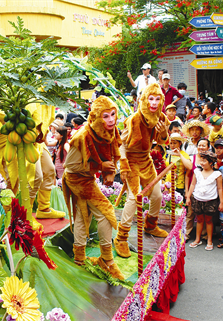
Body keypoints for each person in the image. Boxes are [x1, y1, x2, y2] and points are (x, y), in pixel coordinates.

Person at [63, 96, 124, 280]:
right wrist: (99, 167)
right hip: (76, 178)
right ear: (96, 118)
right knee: (106, 212)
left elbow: (114, 155)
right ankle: (107, 260)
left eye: (113, 114)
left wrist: (110, 172)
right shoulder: (82, 136)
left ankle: (80, 258)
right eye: (106, 116)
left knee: (83, 215)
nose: (111, 120)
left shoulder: (111, 132)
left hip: (88, 177)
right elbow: (70, 167)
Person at [114, 83, 170, 259]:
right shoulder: (134, 119)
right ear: (145, 100)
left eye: (157, 99)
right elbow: (120, 144)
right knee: (134, 197)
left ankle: (151, 225)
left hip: (146, 159)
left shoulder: (160, 117)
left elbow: (163, 142)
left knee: (157, 195)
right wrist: (123, 165)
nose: (154, 103)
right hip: (130, 160)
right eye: (150, 99)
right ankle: (121, 238)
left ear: (161, 101)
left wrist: (163, 133)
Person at [187, 151, 223, 251]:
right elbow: (193, 184)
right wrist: (188, 197)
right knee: (199, 220)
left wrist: (221, 202)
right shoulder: (197, 172)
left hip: (210, 201)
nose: (202, 163)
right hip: (197, 199)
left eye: (205, 161)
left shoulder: (217, 174)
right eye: (201, 160)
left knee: (208, 220)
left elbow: (220, 188)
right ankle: (197, 239)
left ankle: (209, 240)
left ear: (211, 162)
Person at [184, 137, 212, 241]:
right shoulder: (192, 158)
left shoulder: (211, 159)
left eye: (204, 145)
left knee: (204, 213)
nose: (201, 147)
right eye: (199, 145)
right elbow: (187, 176)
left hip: (205, 191)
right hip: (193, 190)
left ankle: (204, 235)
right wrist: (187, 192)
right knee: (190, 213)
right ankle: (186, 234)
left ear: (208, 147)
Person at [165, 133, 192, 199]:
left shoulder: (184, 154)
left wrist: (179, 155)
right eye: (171, 143)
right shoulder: (168, 154)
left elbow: (189, 167)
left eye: (175, 143)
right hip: (168, 184)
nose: (172, 145)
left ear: (180, 143)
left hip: (178, 185)